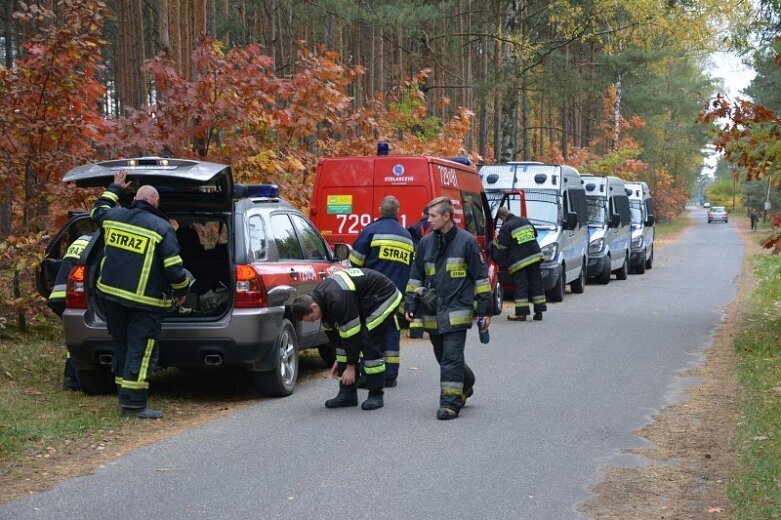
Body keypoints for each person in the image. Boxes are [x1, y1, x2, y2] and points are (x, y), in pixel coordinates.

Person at [91, 169, 191, 419]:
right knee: (141, 349)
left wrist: (114, 188)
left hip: (111, 298)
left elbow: (97, 210)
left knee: (122, 346)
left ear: (136, 197)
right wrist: (182, 292)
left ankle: (123, 396)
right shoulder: (161, 228)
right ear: (155, 202)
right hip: (144, 303)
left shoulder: (114, 217)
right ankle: (134, 405)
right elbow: (174, 269)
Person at [404, 196, 492, 420]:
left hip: (457, 310)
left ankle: (451, 403)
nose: (428, 220)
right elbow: (416, 277)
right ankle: (467, 381)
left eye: (433, 216)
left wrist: (484, 311)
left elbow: (481, 279)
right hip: (432, 312)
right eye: (428, 215)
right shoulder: (425, 243)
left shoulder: (466, 242)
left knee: (451, 357)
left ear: (447, 216)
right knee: (442, 356)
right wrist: (411, 303)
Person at [291, 268, 402, 411]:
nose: (313, 321)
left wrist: (350, 367)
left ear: (313, 307)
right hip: (364, 299)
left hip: (384, 295)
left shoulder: (337, 300)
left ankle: (376, 395)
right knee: (343, 350)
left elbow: (353, 336)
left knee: (369, 342)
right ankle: (347, 394)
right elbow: (336, 338)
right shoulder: (321, 304)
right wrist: (338, 358)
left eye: (311, 318)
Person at [348, 195, 413, 386]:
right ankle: (390, 375)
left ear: (379, 209)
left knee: (369, 333)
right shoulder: (406, 237)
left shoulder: (370, 232)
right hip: (396, 295)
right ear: (397, 211)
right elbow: (410, 267)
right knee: (392, 332)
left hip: (372, 294)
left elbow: (356, 261)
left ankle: (367, 373)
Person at [47, 232, 94, 391]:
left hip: (60, 295)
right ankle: (72, 379)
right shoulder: (101, 241)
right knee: (77, 337)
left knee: (74, 337)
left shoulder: (83, 239)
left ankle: (71, 378)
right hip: (72, 294)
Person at [493, 206, 546, 321]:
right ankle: (539, 312)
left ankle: (521, 314)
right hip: (535, 256)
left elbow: (502, 248)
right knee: (536, 284)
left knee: (521, 286)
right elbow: (535, 234)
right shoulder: (524, 220)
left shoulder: (506, 227)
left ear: (501, 217)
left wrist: (493, 246)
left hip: (520, 261)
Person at [406, 210, 431, 339]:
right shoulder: (439, 228)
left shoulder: (413, 228)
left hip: (417, 265)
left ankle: (416, 331)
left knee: (417, 295)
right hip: (433, 269)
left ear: (422, 214)